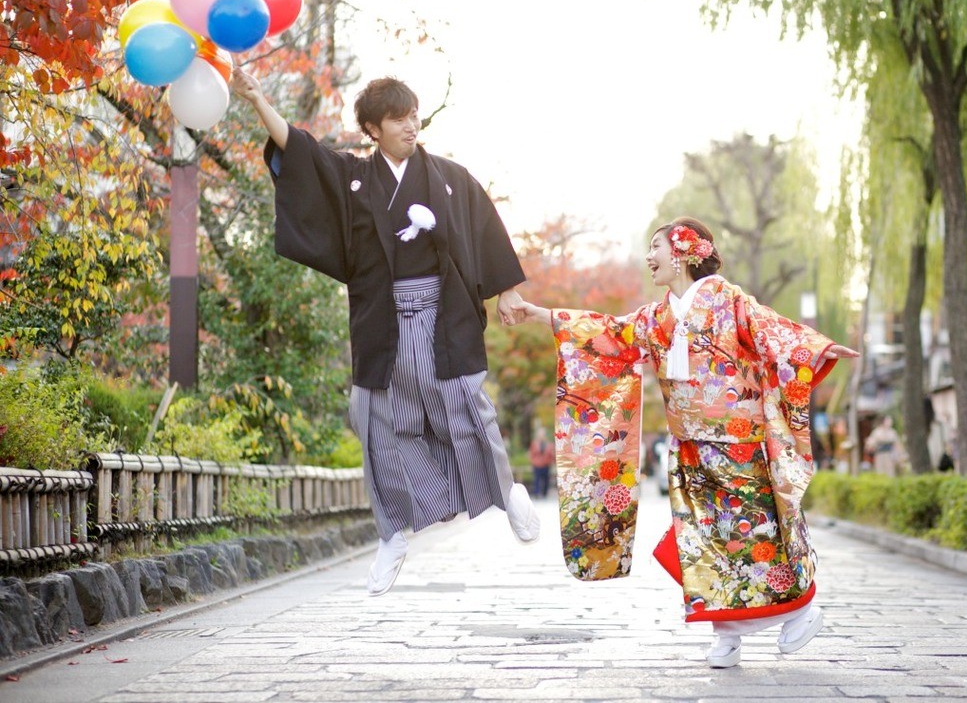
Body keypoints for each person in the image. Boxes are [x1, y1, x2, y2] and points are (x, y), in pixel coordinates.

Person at [231, 67, 540, 597]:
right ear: (373, 128)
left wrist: (507, 289)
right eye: (398, 119)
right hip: (383, 317)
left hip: (443, 313)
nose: (411, 126)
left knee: (464, 403)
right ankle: (393, 533)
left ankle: (507, 491)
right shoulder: (355, 178)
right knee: (375, 419)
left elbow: (484, 229)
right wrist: (258, 97)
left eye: (414, 116)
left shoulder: (448, 176)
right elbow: (302, 153)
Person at [508, 217, 858, 669]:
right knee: (702, 541)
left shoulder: (728, 300)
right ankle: (725, 633)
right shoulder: (656, 317)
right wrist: (539, 313)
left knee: (754, 536)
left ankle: (804, 610)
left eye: (655, 246)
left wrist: (816, 348)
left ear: (684, 252)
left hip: (738, 444)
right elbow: (608, 332)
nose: (649, 257)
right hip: (688, 447)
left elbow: (773, 331)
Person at [528, 429, 555, 499]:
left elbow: (552, 455)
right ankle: (536, 493)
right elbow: (531, 454)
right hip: (537, 465)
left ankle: (544, 493)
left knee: (546, 479)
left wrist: (552, 461)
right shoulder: (534, 444)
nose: (541, 437)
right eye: (540, 435)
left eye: (542, 435)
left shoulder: (549, 444)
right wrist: (533, 461)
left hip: (546, 464)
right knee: (536, 479)